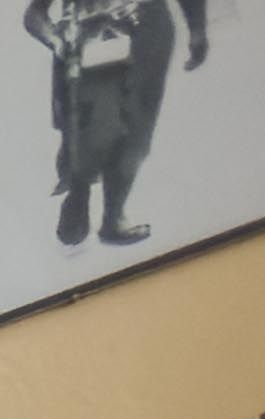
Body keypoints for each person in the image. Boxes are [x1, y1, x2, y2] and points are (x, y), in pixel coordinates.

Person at [33, 0, 204, 248]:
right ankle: (105, 210)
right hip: (130, 24)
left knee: (107, 123)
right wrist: (197, 31)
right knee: (130, 127)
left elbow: (34, 16)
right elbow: (35, 15)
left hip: (106, 29)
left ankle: (89, 195)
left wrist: (60, 42)